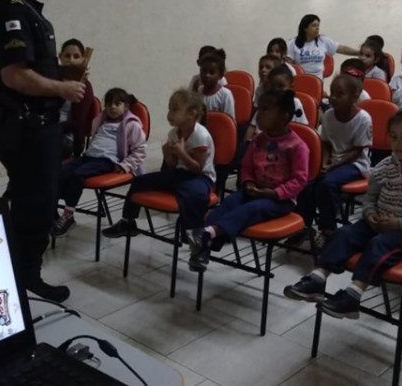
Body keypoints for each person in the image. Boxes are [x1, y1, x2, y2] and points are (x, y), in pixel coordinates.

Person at [0, 0, 86, 303]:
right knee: (35, 209)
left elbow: (32, 69)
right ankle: (24, 280)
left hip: (38, 128)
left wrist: (63, 76)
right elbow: (14, 75)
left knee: (31, 203)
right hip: (28, 129)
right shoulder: (10, 10)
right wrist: (63, 88)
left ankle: (13, 272)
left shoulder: (27, 10)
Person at [284, 107, 402, 319]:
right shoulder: (386, 165)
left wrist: (399, 223)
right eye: (394, 137)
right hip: (380, 222)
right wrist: (370, 213)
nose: (397, 143)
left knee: (378, 244)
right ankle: (317, 279)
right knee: (344, 234)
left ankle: (353, 295)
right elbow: (371, 196)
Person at [187, 89, 310, 272]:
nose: (258, 114)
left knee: (252, 209)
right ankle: (204, 246)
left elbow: (299, 180)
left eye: (266, 110)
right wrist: (248, 182)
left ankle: (206, 235)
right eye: (259, 109)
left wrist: (274, 193)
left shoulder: (297, 146)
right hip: (255, 190)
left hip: (279, 200)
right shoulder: (258, 140)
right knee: (228, 203)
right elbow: (247, 166)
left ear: (284, 116)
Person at [102, 89, 215, 238]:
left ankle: (193, 232)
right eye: (169, 109)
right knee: (139, 182)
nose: (169, 114)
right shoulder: (173, 133)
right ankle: (127, 222)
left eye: (175, 110)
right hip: (180, 174)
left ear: (191, 114)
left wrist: (181, 153)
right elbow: (172, 165)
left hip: (202, 178)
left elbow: (197, 169)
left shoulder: (200, 135)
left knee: (193, 193)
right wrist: (167, 154)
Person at [53, 88, 147, 237]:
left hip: (107, 160)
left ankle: (68, 215)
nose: (112, 107)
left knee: (77, 176)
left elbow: (140, 151)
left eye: (117, 104)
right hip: (89, 157)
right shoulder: (101, 120)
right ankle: (51, 212)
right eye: (109, 104)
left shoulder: (131, 124)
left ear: (126, 107)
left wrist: (125, 165)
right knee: (59, 172)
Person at [296, 74, 372, 243]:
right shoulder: (329, 115)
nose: (333, 98)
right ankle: (304, 226)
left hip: (355, 164)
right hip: (333, 160)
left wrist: (335, 164)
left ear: (354, 97)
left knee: (326, 184)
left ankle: (328, 229)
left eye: (340, 94)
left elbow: (358, 150)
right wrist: (324, 162)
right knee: (307, 183)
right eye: (332, 93)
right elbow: (326, 143)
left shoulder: (363, 119)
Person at [286, 14, 359, 80]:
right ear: (305, 28)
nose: (317, 28)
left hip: (318, 79)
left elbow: (342, 49)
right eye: (314, 25)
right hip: (300, 79)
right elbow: (288, 65)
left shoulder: (323, 40)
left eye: (318, 25)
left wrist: (359, 52)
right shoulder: (292, 43)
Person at [58, 38, 96, 159]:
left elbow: (78, 123)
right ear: (60, 57)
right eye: (67, 56)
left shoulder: (84, 86)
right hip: (49, 132)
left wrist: (77, 154)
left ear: (83, 59)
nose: (71, 60)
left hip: (68, 139)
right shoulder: (54, 80)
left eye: (76, 56)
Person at [197, 52, 235, 120]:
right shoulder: (199, 92)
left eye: (211, 72)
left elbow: (229, 121)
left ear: (220, 75)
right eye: (204, 71)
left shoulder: (225, 95)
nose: (207, 75)